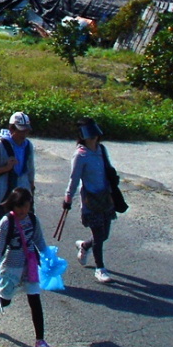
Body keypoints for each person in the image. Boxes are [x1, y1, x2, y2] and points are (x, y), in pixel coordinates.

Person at [0, 188, 55, 347]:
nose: (22, 210)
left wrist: (47, 255)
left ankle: (40, 340)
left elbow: (39, 240)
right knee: (5, 299)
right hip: (11, 266)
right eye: (19, 206)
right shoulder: (7, 222)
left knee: (35, 301)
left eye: (25, 206)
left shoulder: (33, 220)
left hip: (30, 266)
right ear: (13, 205)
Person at [63, 117, 118, 284]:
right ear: (83, 136)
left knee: (104, 234)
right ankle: (100, 269)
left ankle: (85, 246)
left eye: (95, 135)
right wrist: (68, 198)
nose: (94, 138)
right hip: (90, 200)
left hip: (105, 197)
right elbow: (74, 179)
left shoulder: (102, 149)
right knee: (98, 235)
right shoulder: (80, 155)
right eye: (91, 135)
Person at [0, 111, 35, 270]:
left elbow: (30, 168)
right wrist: (5, 167)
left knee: (27, 226)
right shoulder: (0, 145)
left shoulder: (28, 146)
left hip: (22, 192)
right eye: (20, 130)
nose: (23, 134)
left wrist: (31, 189)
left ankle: (23, 261)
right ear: (11, 129)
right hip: (4, 194)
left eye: (26, 130)